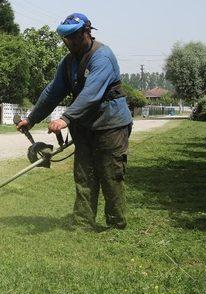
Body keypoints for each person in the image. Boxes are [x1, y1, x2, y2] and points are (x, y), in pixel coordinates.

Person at [16, 13, 132, 230]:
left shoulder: (102, 56)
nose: (70, 42)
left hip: (111, 125)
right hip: (86, 126)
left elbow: (91, 93)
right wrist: (31, 119)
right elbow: (52, 92)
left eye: (74, 37)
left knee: (110, 174)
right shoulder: (68, 62)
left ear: (87, 32)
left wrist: (65, 119)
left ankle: (117, 225)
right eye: (66, 39)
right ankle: (83, 223)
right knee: (84, 175)